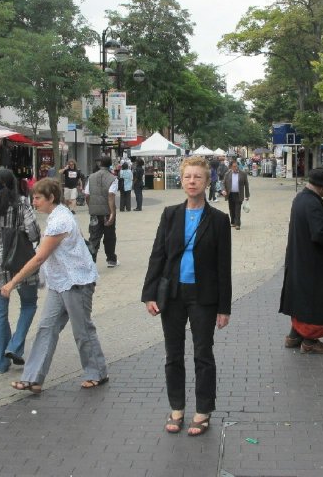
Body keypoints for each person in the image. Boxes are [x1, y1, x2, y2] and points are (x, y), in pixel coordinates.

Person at [142, 156, 231, 437]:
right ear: (182, 180)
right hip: (173, 294)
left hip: (204, 296)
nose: (192, 182)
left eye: (198, 177)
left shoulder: (218, 220)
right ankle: (177, 407)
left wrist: (224, 307)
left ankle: (203, 410)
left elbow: (223, 266)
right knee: (173, 354)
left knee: (203, 354)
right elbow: (158, 255)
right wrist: (149, 294)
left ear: (207, 182)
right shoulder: (170, 214)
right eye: (188, 177)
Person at [2, 178, 108, 394]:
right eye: (33, 197)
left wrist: (13, 282)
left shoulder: (60, 221)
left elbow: (39, 258)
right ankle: (33, 378)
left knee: (82, 329)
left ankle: (97, 372)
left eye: (38, 198)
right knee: (46, 328)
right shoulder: (57, 216)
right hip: (60, 283)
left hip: (77, 282)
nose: (34, 202)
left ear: (51, 198)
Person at [0, 168, 42, 374]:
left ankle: (0, 363)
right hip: (21, 260)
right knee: (29, 304)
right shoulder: (22, 204)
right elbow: (34, 233)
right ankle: (15, 345)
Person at [279, 168, 323, 354]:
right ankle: (310, 340)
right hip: (313, 263)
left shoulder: (300, 199)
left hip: (300, 259)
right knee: (314, 302)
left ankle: (294, 336)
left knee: (300, 300)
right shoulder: (313, 203)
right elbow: (320, 234)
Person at [85, 156, 119, 267]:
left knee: (94, 237)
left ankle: (91, 261)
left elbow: (87, 194)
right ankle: (111, 259)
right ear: (110, 165)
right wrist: (112, 213)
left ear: (100, 164)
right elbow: (111, 196)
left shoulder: (91, 177)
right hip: (106, 212)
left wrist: (91, 206)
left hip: (94, 212)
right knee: (109, 236)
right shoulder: (113, 178)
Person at [222, 160, 250, 230]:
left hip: (239, 194)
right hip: (230, 194)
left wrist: (247, 195)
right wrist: (223, 190)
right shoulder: (227, 174)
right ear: (231, 167)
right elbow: (223, 183)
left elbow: (246, 185)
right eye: (234, 166)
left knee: (237, 209)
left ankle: (238, 224)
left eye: (237, 166)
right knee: (231, 209)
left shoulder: (243, 174)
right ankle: (233, 222)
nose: (236, 168)